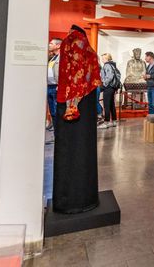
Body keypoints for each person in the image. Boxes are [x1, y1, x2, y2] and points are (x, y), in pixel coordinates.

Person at [54, 25, 101, 214]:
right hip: (79, 100)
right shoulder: (78, 41)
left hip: (75, 98)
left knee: (75, 147)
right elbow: (79, 74)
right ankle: (77, 198)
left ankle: (73, 197)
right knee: (78, 147)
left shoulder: (73, 40)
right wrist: (73, 101)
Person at [98, 53, 120, 129]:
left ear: (107, 59)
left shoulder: (107, 65)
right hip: (112, 87)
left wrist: (104, 84)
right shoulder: (112, 65)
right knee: (111, 105)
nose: (102, 60)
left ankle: (106, 122)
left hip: (108, 87)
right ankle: (114, 121)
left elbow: (109, 76)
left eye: (103, 58)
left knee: (106, 105)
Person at [47, 38, 62, 129]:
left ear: (58, 45)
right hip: (50, 86)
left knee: (57, 110)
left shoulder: (63, 57)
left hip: (57, 87)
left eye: (51, 43)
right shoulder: (53, 57)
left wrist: (60, 84)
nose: (49, 45)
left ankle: (59, 130)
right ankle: (55, 130)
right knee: (52, 111)